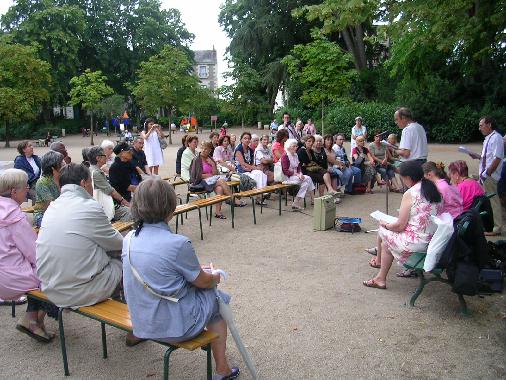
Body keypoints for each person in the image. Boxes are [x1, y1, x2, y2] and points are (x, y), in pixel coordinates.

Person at [121, 178, 240, 380]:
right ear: (170, 206)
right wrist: (215, 276)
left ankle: (217, 357)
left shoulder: (129, 238)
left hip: (142, 321)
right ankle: (222, 370)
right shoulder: (177, 243)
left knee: (206, 292)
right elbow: (203, 282)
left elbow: (161, 272)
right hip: (175, 326)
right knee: (218, 299)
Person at [36, 163, 123, 308]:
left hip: (51, 288)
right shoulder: (89, 206)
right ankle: (132, 318)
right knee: (127, 258)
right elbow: (118, 243)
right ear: (83, 183)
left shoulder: (53, 207)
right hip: (79, 291)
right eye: (91, 183)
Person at [363, 161, 442, 289]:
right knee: (386, 243)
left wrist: (386, 224)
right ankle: (380, 278)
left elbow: (400, 226)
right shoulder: (433, 188)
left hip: (417, 243)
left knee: (383, 230)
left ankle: (380, 273)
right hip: (432, 239)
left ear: (409, 178)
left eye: (403, 178)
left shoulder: (411, 193)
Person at [0, 169, 54, 343]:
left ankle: (33, 321)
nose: (28, 191)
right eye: (26, 187)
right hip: (10, 277)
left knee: (42, 270)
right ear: (14, 191)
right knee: (53, 272)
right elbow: (34, 252)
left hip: (5, 272)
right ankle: (32, 320)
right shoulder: (14, 217)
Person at [467, 116, 504, 235]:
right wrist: (477, 156)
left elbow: (498, 158)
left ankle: (497, 227)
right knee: (486, 201)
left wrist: (488, 173)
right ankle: (488, 224)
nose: (479, 128)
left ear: (489, 125)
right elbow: (488, 157)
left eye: (481, 125)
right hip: (485, 174)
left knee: (493, 201)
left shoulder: (496, 138)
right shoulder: (489, 138)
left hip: (489, 175)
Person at [190, 142, 242, 218]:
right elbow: (196, 176)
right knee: (221, 181)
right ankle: (233, 199)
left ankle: (218, 212)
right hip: (201, 182)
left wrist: (213, 164)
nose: (204, 150)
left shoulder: (210, 159)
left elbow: (215, 173)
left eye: (206, 149)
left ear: (210, 150)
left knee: (220, 188)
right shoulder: (196, 160)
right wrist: (208, 176)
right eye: (203, 148)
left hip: (211, 181)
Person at [88, 146, 132, 222]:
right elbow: (111, 191)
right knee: (131, 213)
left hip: (106, 203)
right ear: (98, 158)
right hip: (105, 205)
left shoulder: (92, 169)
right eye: (104, 155)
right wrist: (125, 202)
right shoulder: (96, 173)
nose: (107, 157)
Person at [281, 139, 315, 210]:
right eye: (294, 146)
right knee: (308, 178)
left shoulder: (295, 155)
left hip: (296, 176)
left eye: (296, 146)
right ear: (289, 147)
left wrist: (300, 174)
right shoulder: (285, 156)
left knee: (305, 183)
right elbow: (285, 171)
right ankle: (312, 199)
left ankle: (296, 202)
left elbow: (298, 166)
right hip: (288, 177)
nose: (296, 148)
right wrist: (297, 174)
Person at [234, 132, 268, 202]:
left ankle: (261, 193)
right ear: (241, 140)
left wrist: (253, 168)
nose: (247, 140)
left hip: (249, 169)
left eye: (248, 138)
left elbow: (252, 163)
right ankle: (259, 195)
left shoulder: (250, 150)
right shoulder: (239, 149)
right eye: (245, 138)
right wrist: (254, 168)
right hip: (240, 171)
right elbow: (242, 163)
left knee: (260, 173)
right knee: (255, 176)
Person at [33, 151, 64, 227]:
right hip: (43, 214)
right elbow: (51, 206)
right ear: (53, 167)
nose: (64, 163)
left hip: (62, 211)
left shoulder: (63, 177)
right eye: (61, 162)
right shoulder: (42, 182)